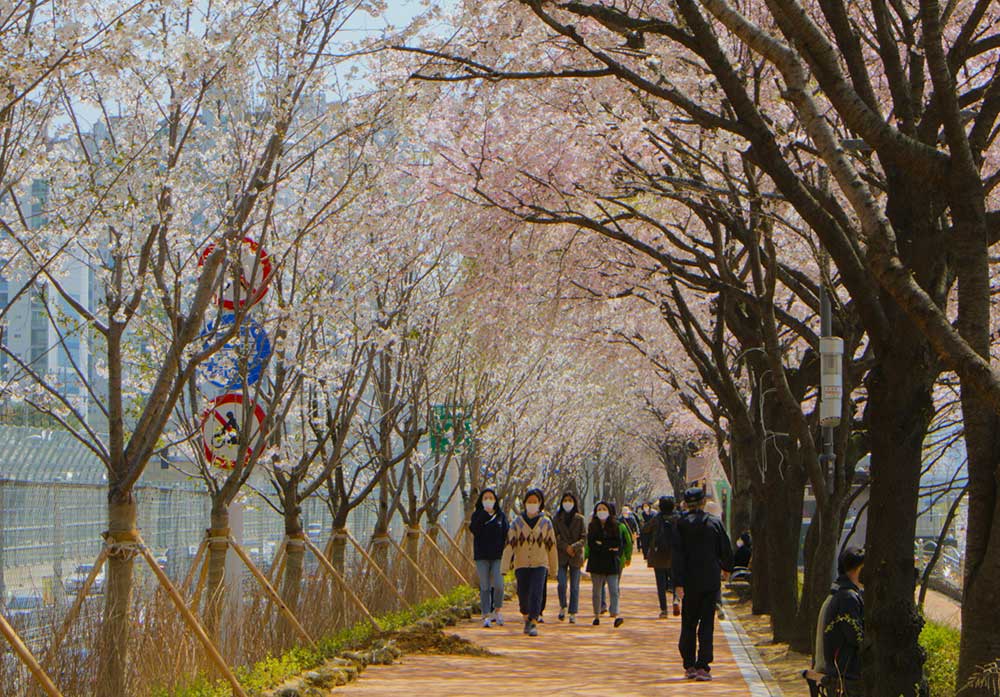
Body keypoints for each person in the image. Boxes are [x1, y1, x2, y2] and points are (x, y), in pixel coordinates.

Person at [672, 487, 733, 681]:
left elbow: (677, 555)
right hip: (710, 580)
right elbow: (726, 549)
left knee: (688, 623)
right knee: (707, 624)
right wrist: (726, 568)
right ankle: (703, 666)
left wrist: (678, 583)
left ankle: (689, 664)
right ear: (703, 503)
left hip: (689, 582)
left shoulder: (680, 524)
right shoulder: (714, 523)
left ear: (686, 503)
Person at [501, 488, 559, 637]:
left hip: (540, 564)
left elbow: (551, 546)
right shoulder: (517, 523)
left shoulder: (546, 523)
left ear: (540, 503)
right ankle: (526, 616)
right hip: (521, 564)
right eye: (529, 501)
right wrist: (505, 566)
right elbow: (509, 545)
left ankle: (533, 621)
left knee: (536, 592)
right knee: (523, 593)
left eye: (535, 501)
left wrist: (554, 569)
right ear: (525, 503)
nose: (532, 504)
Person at [822, 546, 865, 697]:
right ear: (858, 569)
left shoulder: (841, 592)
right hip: (846, 674)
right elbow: (855, 636)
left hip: (840, 672)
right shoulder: (848, 598)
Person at [469, 487, 509, 627]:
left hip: (497, 556)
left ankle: (497, 610)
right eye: (485, 498)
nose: (488, 501)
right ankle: (486, 614)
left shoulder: (500, 516)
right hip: (482, 556)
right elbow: (474, 529)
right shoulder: (477, 515)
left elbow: (506, 534)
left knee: (498, 585)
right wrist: (483, 515)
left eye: (491, 498)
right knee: (485, 585)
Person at [586, 501, 625, 627]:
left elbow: (618, 544)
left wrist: (602, 545)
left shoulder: (615, 526)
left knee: (614, 589)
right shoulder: (592, 526)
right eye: (599, 509)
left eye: (604, 509)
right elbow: (592, 544)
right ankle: (596, 615)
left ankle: (615, 613)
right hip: (596, 563)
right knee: (596, 591)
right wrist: (606, 547)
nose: (601, 511)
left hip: (611, 563)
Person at [643, 495, 679, 618]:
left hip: (658, 555)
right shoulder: (678, 518)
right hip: (675, 554)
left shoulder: (656, 518)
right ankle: (676, 599)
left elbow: (645, 529)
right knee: (676, 581)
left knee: (661, 584)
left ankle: (664, 610)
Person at [554, 492, 585, 623]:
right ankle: (562, 606)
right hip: (561, 555)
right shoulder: (557, 519)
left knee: (574, 586)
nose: (567, 503)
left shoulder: (580, 519)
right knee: (561, 583)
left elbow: (584, 537)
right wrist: (565, 547)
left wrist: (574, 547)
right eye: (565, 500)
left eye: (570, 500)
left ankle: (573, 612)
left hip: (575, 556)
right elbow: (555, 537)